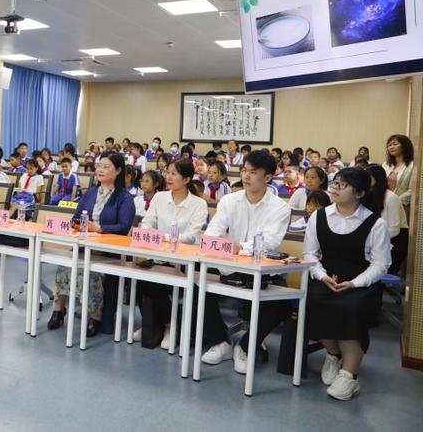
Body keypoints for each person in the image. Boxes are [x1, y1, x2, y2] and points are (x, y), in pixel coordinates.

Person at [199, 150, 292, 374]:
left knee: (282, 302)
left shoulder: (280, 208)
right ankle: (221, 341)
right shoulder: (229, 201)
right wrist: (224, 245)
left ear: (268, 177)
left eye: (253, 172)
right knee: (195, 283)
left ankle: (245, 345)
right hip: (228, 267)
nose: (246, 176)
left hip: (262, 272)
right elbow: (213, 232)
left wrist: (238, 246)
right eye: (244, 171)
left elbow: (269, 242)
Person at [303, 168, 391, 401]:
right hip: (327, 277)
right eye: (334, 183)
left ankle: (349, 375)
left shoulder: (375, 223)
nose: (334, 188)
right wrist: (321, 276)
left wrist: (354, 283)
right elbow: (310, 254)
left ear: (360, 193)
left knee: (349, 308)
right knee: (312, 300)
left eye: (342, 185)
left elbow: (381, 264)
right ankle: (333, 354)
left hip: (360, 283)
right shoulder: (319, 216)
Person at [47, 152, 135, 337]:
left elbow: (124, 226)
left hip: (107, 249)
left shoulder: (124, 197)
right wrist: (77, 224)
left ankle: (95, 316)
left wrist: (99, 229)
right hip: (83, 244)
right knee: (65, 265)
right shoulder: (90, 193)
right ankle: (58, 309)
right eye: (99, 166)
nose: (100, 170)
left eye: (106, 167)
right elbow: (75, 218)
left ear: (118, 171)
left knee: (93, 271)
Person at [135, 160, 207, 348]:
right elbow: (147, 222)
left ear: (187, 179)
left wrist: (162, 237)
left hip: (183, 261)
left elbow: (191, 236)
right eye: (167, 172)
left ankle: (168, 326)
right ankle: (153, 324)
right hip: (158, 255)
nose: (168, 177)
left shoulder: (198, 204)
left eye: (174, 173)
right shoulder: (159, 198)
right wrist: (151, 233)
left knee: (157, 282)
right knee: (139, 278)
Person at [366, 164, 408, 275]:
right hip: (379, 238)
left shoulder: (391, 197)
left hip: (396, 239)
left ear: (378, 179)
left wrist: (373, 240)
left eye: (368, 178)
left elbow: (395, 230)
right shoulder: (369, 196)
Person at [382, 134, 415, 214]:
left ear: (405, 146)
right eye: (389, 145)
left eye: (395, 144)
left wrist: (394, 201)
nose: (391, 147)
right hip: (383, 204)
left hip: (402, 207)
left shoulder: (412, 166)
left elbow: (412, 190)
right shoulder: (385, 164)